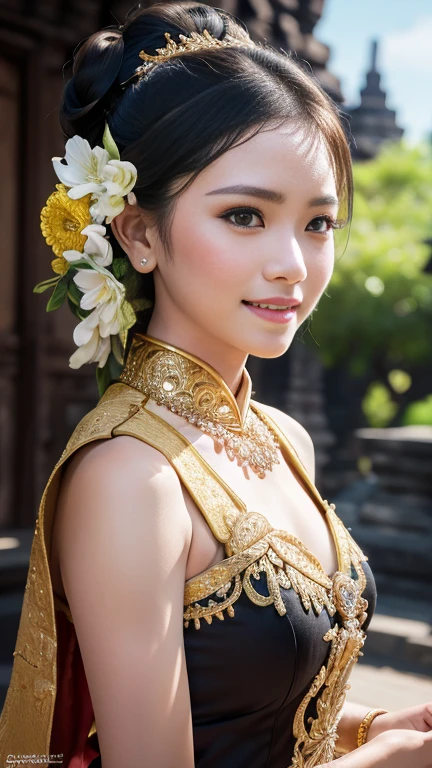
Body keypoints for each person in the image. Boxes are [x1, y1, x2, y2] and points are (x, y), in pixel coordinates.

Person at [0, 2, 431, 767]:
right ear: (137, 233)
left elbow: (249, 706)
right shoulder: (131, 480)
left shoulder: (281, 437)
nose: (294, 265)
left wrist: (376, 727)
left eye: (318, 224)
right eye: (243, 215)